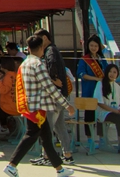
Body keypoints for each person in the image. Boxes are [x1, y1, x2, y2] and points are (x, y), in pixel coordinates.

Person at [3, 36, 75, 177]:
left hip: (29, 105)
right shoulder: (38, 65)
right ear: (42, 47)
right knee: (31, 135)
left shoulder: (25, 64)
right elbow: (50, 88)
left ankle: (59, 169)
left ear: (28, 48)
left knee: (46, 139)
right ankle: (11, 165)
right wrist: (67, 105)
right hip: (37, 108)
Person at [31, 29, 74, 165]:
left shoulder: (50, 51)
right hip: (61, 94)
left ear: (44, 38)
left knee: (47, 127)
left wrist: (52, 79)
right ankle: (67, 155)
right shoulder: (53, 50)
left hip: (55, 95)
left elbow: (52, 65)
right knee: (60, 127)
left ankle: (47, 156)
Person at [77, 34, 107, 145]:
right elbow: (81, 74)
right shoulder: (84, 60)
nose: (93, 48)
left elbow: (107, 72)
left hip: (102, 91)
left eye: (96, 46)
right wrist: (96, 78)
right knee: (89, 115)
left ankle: (102, 138)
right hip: (89, 90)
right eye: (91, 45)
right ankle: (90, 139)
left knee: (101, 115)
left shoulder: (102, 59)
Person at [94, 63, 120, 146]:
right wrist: (114, 111)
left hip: (115, 111)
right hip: (104, 112)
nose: (112, 74)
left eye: (114, 72)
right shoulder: (100, 84)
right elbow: (99, 103)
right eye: (110, 71)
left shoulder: (117, 86)